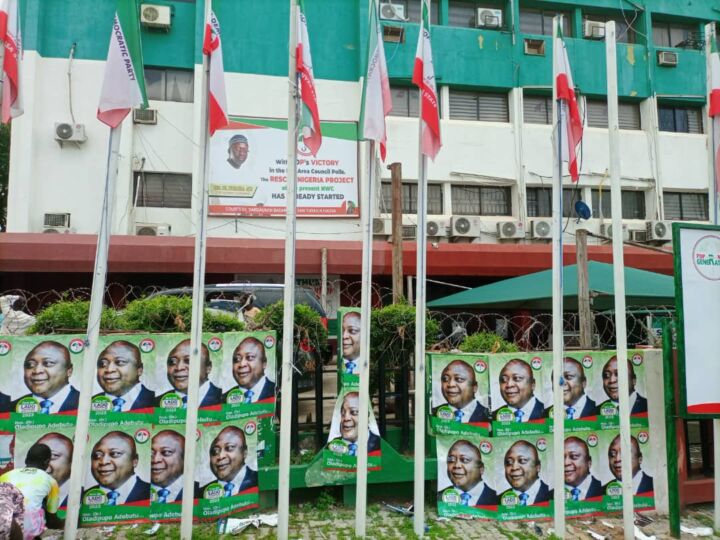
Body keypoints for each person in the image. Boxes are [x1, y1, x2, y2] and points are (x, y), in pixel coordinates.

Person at [0, 443, 64, 538]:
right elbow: (52, 522)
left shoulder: (5, 476)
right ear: (47, 462)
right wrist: (66, 523)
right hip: (24, 533)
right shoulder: (50, 481)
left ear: (26, 460)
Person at [11, 341, 79, 414]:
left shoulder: (85, 403)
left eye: (48, 363)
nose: (37, 371)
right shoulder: (10, 408)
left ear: (69, 371)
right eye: (30, 365)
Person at [86, 431, 150, 505]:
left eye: (115, 454)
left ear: (134, 461)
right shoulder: (83, 497)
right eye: (97, 455)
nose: (103, 461)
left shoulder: (150, 492)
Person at [93, 340, 155, 412]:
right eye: (103, 364)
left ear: (139, 370)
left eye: (120, 362)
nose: (109, 369)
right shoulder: (86, 404)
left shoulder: (155, 400)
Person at [157, 340, 221, 409]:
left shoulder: (222, 398)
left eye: (188, 361)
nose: (179, 367)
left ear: (208, 367)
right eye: (172, 362)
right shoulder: (155, 402)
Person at [201, 426, 257, 497]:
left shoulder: (259, 481)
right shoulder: (201, 493)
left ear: (244, 453)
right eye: (215, 451)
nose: (221, 456)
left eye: (229, 448)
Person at [441, 439, 497, 506]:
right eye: (451, 460)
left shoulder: (496, 499)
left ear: (481, 469)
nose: (456, 465)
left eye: (464, 460)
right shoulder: (440, 498)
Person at [151, 430, 199, 503]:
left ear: (185, 458)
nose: (155, 459)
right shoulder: (140, 491)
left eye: (166, 452)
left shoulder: (199, 490)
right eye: (151, 453)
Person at [223, 337, 275, 404]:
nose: (242, 364)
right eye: (237, 359)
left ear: (264, 363)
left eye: (250, 357)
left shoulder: (277, 392)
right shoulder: (223, 399)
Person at [500, 440, 553, 505]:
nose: (514, 467)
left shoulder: (553, 495)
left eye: (522, 460)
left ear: (538, 467)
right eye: (509, 462)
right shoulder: (497, 500)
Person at [35, 433, 72, 508]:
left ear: (72, 461)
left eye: (53, 456)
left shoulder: (85, 496)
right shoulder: (28, 496)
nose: (43, 464)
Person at [564, 437, 603, 501]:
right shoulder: (549, 496)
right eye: (561, 458)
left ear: (589, 462)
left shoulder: (603, 490)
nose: (566, 462)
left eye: (573, 456)